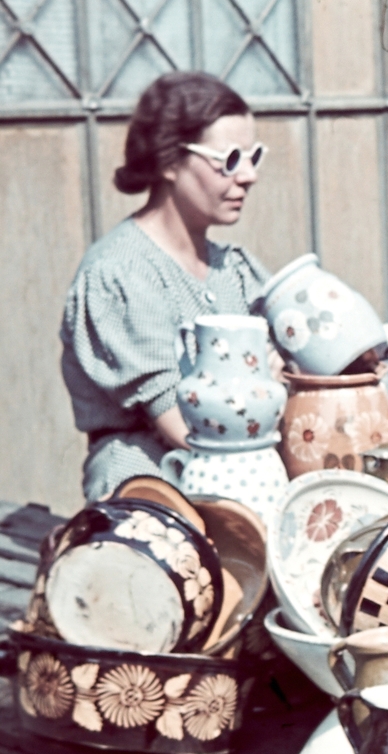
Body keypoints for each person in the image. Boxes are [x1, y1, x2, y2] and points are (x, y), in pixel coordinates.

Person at [60, 72, 268, 502]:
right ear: (170, 161)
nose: (248, 176)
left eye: (254, 157)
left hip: (238, 469)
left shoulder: (234, 270)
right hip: (151, 481)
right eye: (229, 159)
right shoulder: (120, 273)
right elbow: (179, 425)